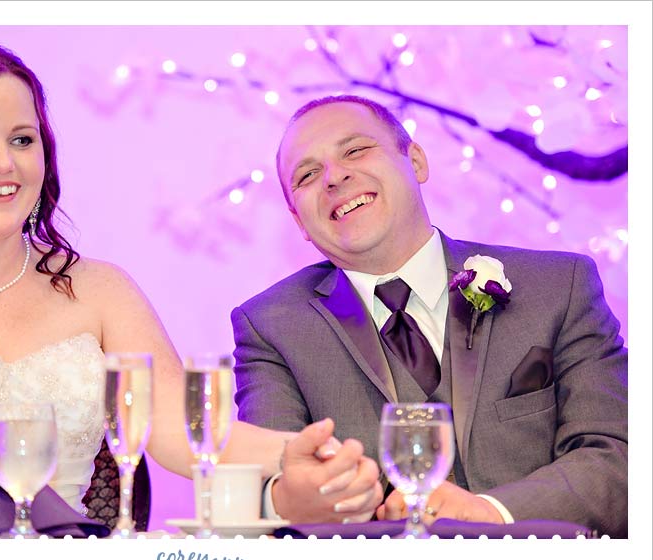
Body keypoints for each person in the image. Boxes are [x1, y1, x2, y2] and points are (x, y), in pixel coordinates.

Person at [0, 41, 380, 536]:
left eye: (22, 139)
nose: (4, 164)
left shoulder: (100, 291)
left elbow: (179, 427)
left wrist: (295, 453)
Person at [232, 95, 628, 537]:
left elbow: (618, 455)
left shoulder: (560, 285)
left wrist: (492, 511)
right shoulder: (270, 327)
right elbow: (265, 486)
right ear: (299, 222)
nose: (334, 176)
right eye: (307, 175)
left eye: (355, 150)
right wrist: (304, 495)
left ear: (416, 161)